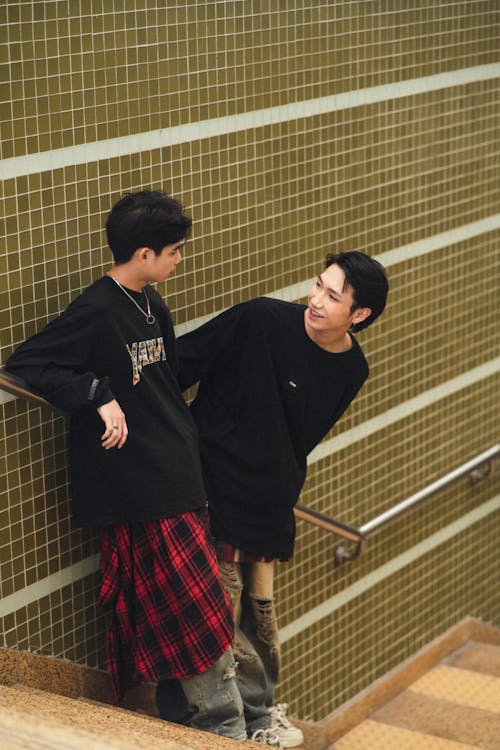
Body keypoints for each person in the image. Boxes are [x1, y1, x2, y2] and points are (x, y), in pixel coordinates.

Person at [5, 190, 246, 742]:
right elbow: (26, 364)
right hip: (143, 488)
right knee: (197, 617)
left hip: (178, 477)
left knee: (177, 617)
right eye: (174, 250)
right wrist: (95, 392)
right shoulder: (98, 308)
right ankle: (226, 732)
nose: (179, 259)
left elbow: (163, 386)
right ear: (143, 254)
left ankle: (187, 729)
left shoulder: (152, 303)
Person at [177, 251, 389, 747]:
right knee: (217, 609)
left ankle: (257, 715)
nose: (314, 299)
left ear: (359, 316)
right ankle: (220, 725)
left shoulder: (352, 368)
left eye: (332, 296)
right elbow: (181, 365)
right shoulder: (259, 319)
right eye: (318, 285)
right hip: (212, 485)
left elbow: (300, 438)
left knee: (260, 617)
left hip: (271, 499)